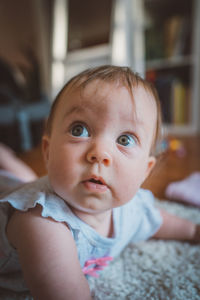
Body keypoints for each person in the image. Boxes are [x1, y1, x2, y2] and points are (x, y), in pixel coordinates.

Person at [0, 65, 199, 300]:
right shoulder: (43, 224)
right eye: (79, 129)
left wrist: (193, 230)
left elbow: (157, 219)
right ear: (48, 151)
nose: (100, 153)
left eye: (125, 139)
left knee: (26, 180)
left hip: (28, 184)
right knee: (23, 185)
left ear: (145, 171)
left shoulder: (131, 208)